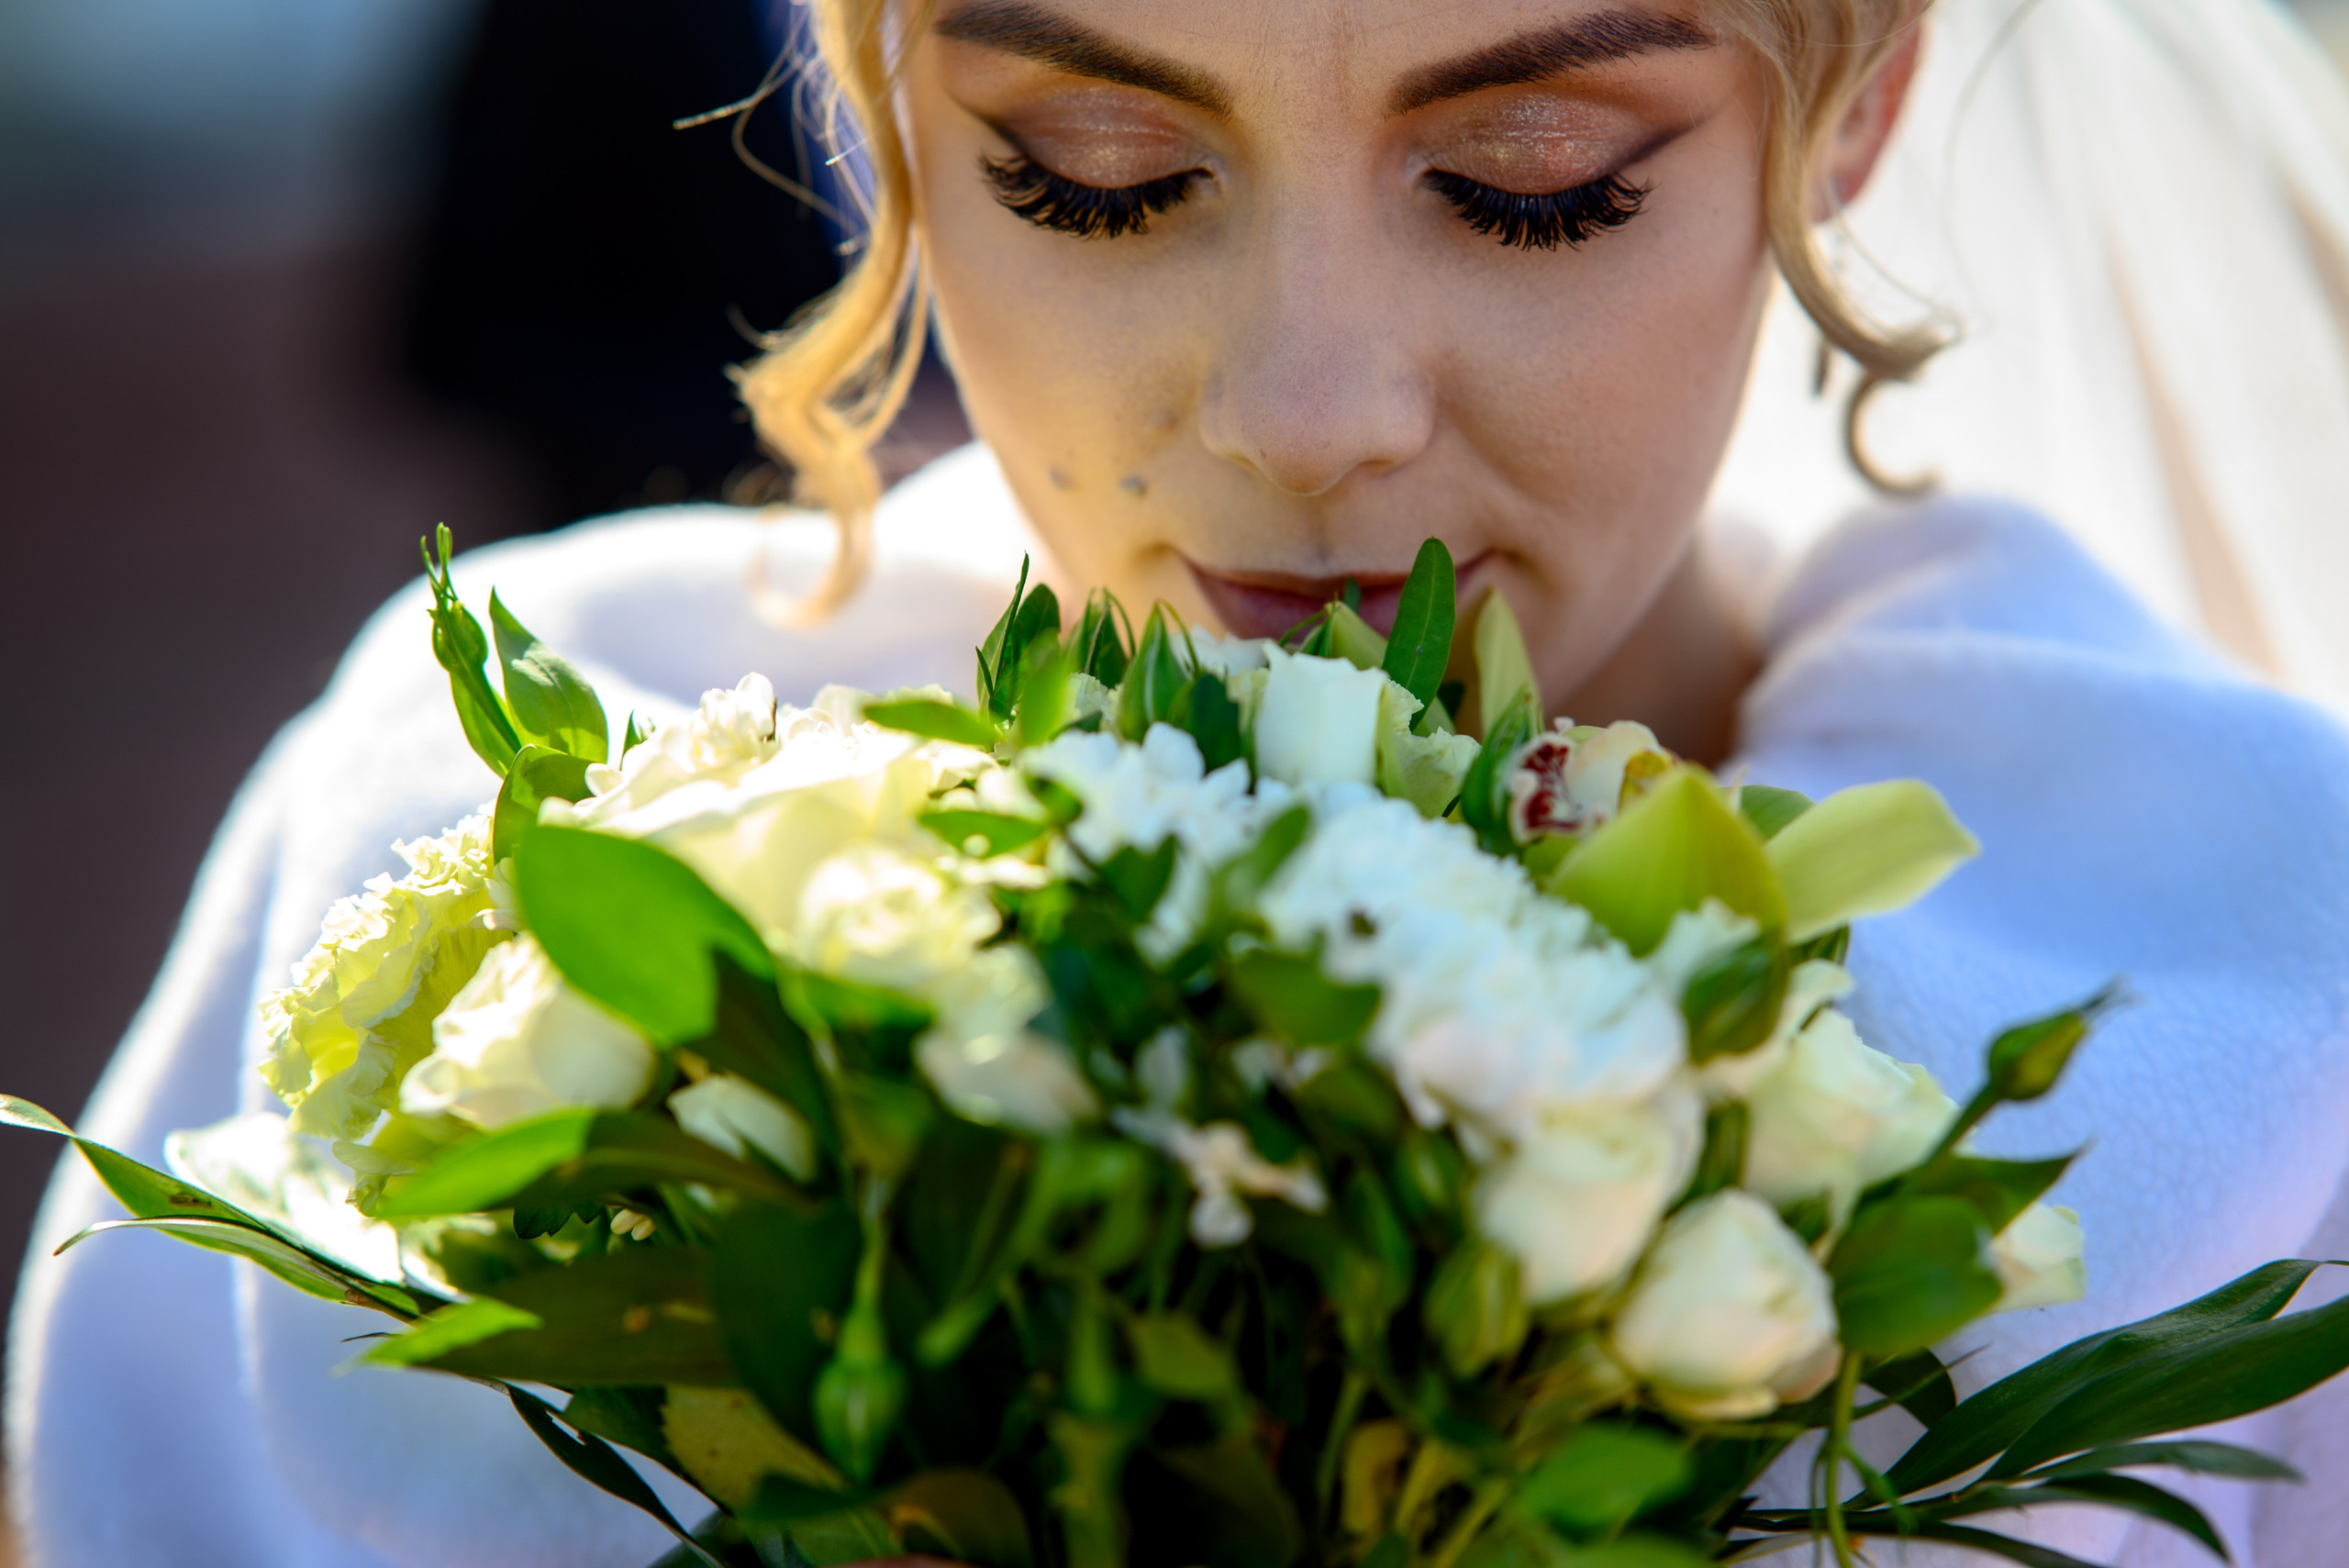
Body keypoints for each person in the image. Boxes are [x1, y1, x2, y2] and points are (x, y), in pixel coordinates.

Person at [14, 1, 2349, 1565]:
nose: (1305, 410)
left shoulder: (2238, 980)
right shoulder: (484, 811)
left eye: (1531, 180)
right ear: (881, 95)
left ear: (1847, 100)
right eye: (1100, 173)